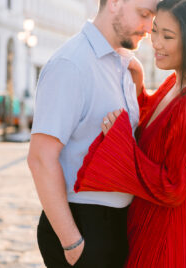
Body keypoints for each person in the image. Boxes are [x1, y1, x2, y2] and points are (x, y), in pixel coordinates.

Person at [74, 0, 186, 267]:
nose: (155, 42)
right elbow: (159, 134)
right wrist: (139, 89)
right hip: (146, 228)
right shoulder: (174, 82)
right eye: (155, 30)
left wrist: (120, 144)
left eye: (167, 36)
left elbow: (172, 187)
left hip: (169, 241)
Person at [27, 0, 158, 267]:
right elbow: (40, 158)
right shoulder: (71, 64)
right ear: (115, 3)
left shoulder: (125, 65)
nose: (149, 27)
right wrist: (73, 243)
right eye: (144, 15)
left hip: (117, 223)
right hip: (82, 224)